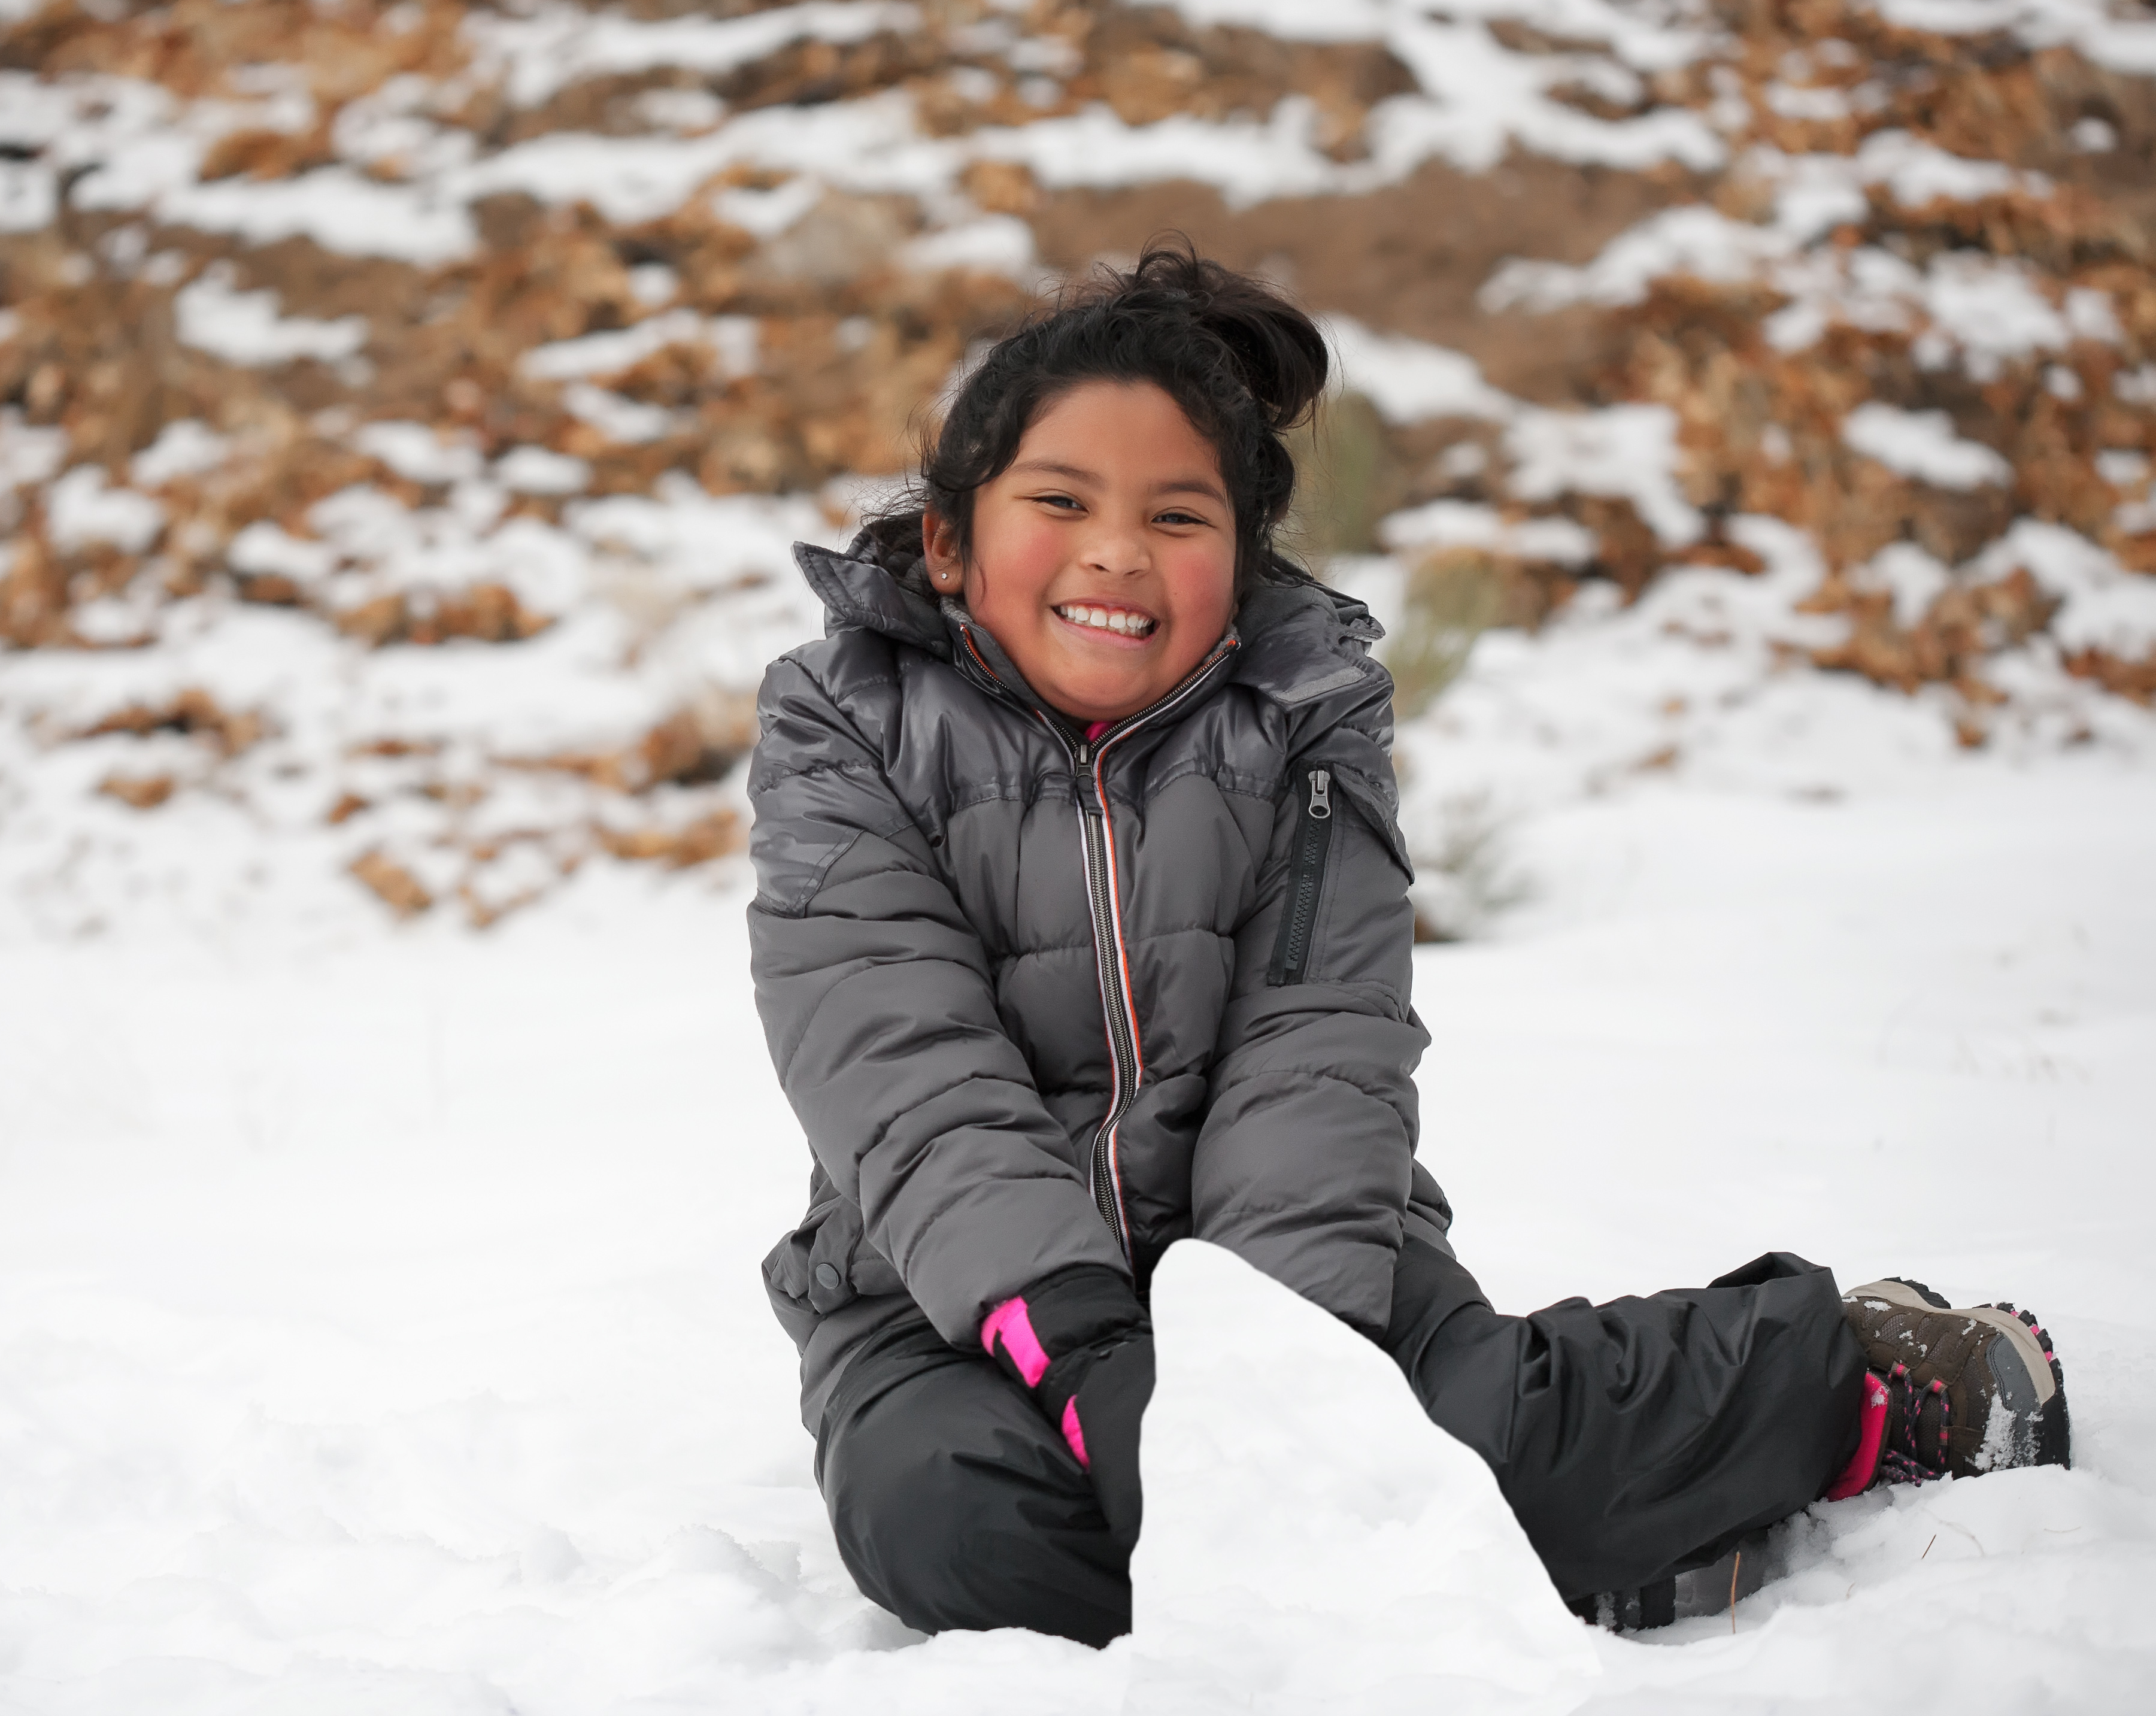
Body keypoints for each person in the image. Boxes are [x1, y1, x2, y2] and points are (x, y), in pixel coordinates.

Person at [744, 245, 2071, 1647]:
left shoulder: (1304, 715)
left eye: (1177, 516)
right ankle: (1495, 1557)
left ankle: (1837, 1376)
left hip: (1292, 1254)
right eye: (1060, 501)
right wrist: (1080, 1342)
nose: (1117, 551)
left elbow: (1320, 1043)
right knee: (955, 1520)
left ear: (1245, 565)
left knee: (1464, 1433)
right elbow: (898, 1060)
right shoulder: (845, 723)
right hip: (951, 1298)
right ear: (951, 538)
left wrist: (1269, 1369)